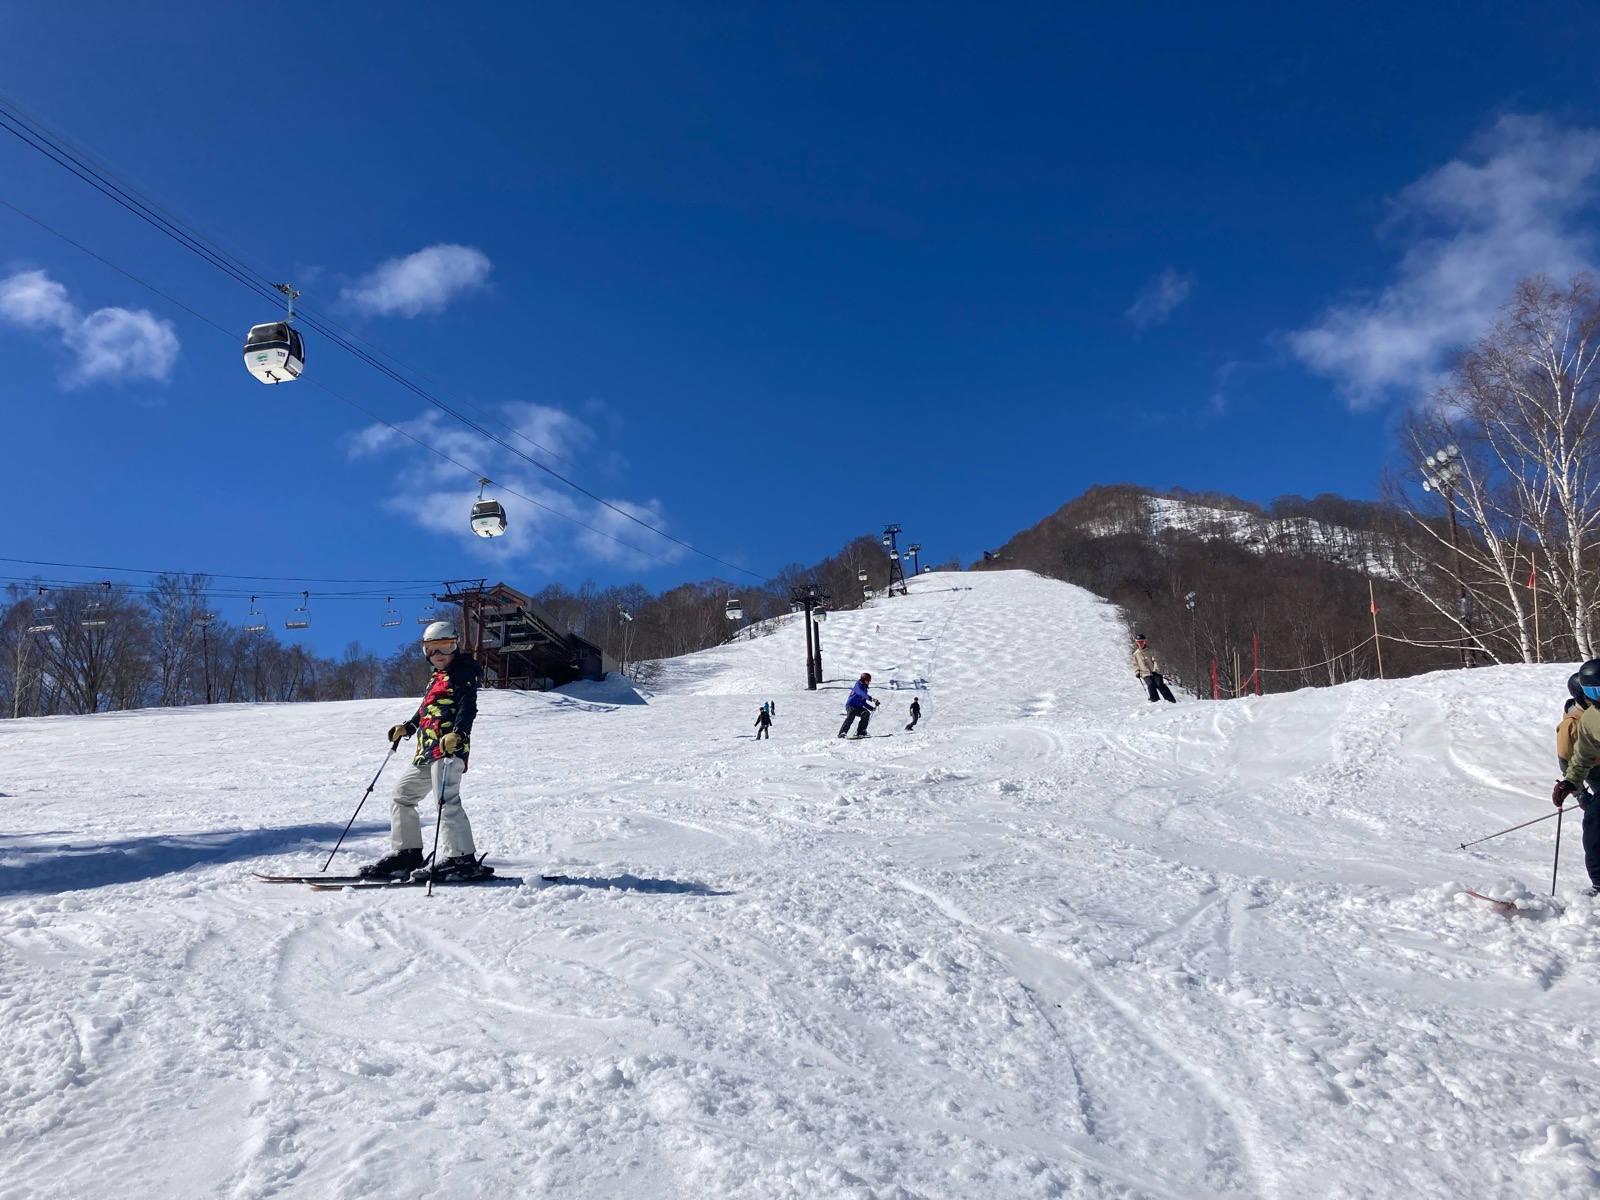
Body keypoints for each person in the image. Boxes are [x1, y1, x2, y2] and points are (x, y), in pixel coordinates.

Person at [360, 620, 490, 881]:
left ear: (455, 646)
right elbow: (426, 709)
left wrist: (459, 733)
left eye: (445, 646)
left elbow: (467, 706)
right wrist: (409, 726)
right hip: (426, 750)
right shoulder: (436, 677)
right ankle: (407, 853)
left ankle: (461, 858)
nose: (438, 654)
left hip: (449, 748)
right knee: (401, 796)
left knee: (446, 800)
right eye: (431, 649)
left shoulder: (463, 672)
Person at [1552, 663, 1600, 897]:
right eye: (1593, 693)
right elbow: (1581, 755)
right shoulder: (1590, 718)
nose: (1598, 698)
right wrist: (1571, 783)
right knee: (1595, 823)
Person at [1133, 632, 1176, 704]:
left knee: (1159, 684)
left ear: (1145, 642)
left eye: (1142, 642)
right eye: (1139, 642)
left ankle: (1170, 699)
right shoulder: (1136, 654)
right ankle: (1155, 700)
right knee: (1150, 684)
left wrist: (1155, 670)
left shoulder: (1152, 651)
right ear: (1136, 643)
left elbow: (1157, 661)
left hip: (1155, 672)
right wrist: (1137, 672)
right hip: (1145, 673)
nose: (1140, 644)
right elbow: (1135, 664)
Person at [838, 672, 879, 738]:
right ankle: (842, 732)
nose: (869, 682)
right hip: (850, 705)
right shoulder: (858, 685)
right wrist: (871, 699)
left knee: (866, 713)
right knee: (851, 714)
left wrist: (871, 708)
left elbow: (863, 702)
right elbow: (861, 693)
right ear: (863, 680)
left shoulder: (865, 689)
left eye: (869, 681)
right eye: (868, 680)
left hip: (858, 707)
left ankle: (861, 731)